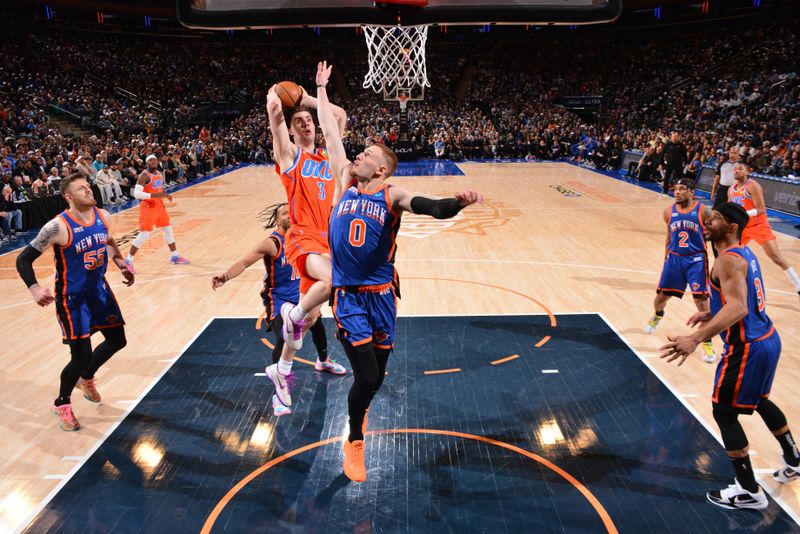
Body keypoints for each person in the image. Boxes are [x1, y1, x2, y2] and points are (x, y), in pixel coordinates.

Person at [315, 61, 483, 482]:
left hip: (383, 296)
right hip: (349, 296)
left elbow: (432, 207)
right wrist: (320, 89)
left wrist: (457, 202)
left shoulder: (393, 194)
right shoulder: (343, 182)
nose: (358, 155)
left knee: (379, 377)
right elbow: (331, 132)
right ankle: (354, 439)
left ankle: (362, 410)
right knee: (366, 374)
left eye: (367, 155)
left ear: (383, 169)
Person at [660, 202, 800, 510]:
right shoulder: (744, 253)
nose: (708, 222)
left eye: (716, 219)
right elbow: (742, 297)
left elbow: (739, 308)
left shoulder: (726, 261)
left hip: (747, 347)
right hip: (767, 338)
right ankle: (794, 457)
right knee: (759, 399)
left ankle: (749, 491)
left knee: (724, 412)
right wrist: (712, 311)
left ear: (732, 227)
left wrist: (696, 338)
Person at [15, 173, 134, 431]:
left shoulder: (103, 215)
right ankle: (62, 403)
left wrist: (120, 262)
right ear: (69, 196)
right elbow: (22, 259)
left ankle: (86, 377)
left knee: (118, 341)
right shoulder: (57, 227)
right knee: (81, 356)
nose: (89, 191)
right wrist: (35, 288)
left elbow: (108, 240)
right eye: (82, 189)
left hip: (100, 292)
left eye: (88, 186)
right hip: (73, 299)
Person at [210, 203, 345, 416]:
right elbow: (245, 262)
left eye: (290, 211)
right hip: (279, 302)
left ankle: (323, 361)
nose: (289, 214)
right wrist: (225, 276)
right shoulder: (272, 243)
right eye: (283, 213)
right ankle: (279, 392)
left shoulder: (303, 239)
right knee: (285, 338)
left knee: (318, 326)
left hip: (302, 297)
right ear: (276, 220)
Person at [263, 74, 347, 407]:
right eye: (299, 122)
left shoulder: (329, 158)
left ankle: (282, 372)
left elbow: (338, 116)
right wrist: (278, 100)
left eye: (309, 120)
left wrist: (308, 99)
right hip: (302, 238)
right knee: (334, 280)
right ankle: (294, 316)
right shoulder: (290, 159)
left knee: (311, 318)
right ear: (294, 131)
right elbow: (275, 116)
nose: (306, 124)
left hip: (328, 241)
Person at [646, 178, 716, 363]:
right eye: (675, 189)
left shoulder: (704, 211)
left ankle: (707, 341)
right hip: (675, 259)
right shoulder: (668, 211)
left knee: (701, 302)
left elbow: (715, 233)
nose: (677, 192)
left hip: (696, 259)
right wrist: (665, 258)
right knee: (661, 298)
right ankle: (658, 315)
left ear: (692, 192)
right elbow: (669, 237)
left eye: (682, 189)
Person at [728, 163, 800, 303]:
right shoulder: (731, 189)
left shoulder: (753, 186)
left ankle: (798, 285)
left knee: (776, 257)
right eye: (735, 169)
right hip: (743, 228)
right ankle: (734, 285)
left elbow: (761, 209)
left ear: (748, 172)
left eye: (740, 168)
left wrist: (741, 215)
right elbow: (730, 208)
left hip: (758, 225)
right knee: (730, 254)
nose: (737, 170)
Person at [124, 154, 190, 273]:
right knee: (144, 234)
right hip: (148, 207)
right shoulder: (143, 176)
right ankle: (128, 260)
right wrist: (152, 196)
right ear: (147, 163)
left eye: (155, 160)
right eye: (151, 160)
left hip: (159, 206)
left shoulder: (159, 174)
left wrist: (165, 194)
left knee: (168, 230)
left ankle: (175, 256)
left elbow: (159, 189)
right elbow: (136, 194)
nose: (154, 161)